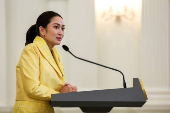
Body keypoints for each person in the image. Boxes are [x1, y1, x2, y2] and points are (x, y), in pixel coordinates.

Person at [12, 11, 77, 113]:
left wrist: (67, 90)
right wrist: (60, 95)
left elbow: (49, 87)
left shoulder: (56, 54)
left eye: (63, 28)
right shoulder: (31, 49)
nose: (61, 32)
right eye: (56, 27)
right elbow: (32, 88)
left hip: (47, 110)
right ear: (42, 30)